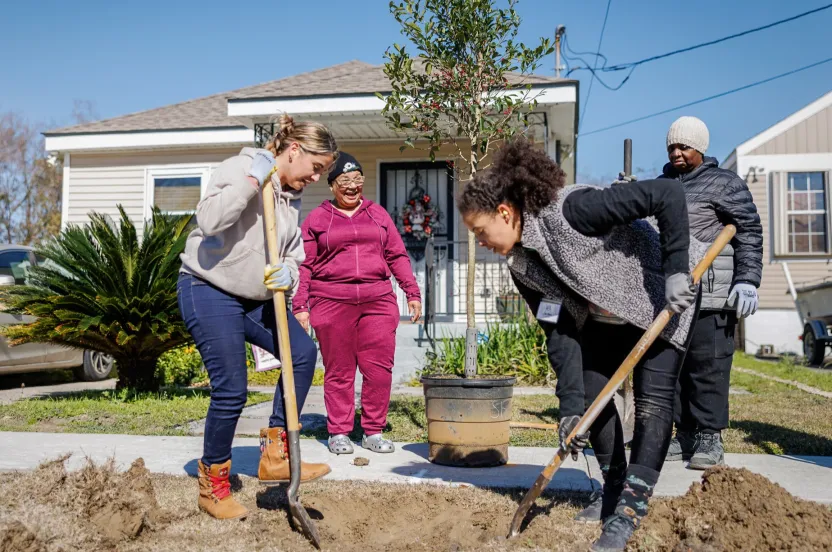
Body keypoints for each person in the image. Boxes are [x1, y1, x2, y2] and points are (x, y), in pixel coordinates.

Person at [458, 138, 703, 552]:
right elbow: (560, 331)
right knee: (593, 396)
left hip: (661, 297)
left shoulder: (573, 211)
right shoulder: (522, 266)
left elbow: (667, 193)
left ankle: (630, 510)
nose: (480, 242)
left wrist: (677, 268)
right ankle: (613, 492)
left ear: (504, 212)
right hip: (605, 317)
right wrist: (571, 412)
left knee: (653, 404)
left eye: (480, 232)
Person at [178, 115, 338, 521]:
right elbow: (209, 221)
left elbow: (293, 255)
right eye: (316, 167)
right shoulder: (240, 167)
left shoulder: (291, 197)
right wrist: (252, 181)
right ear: (293, 150)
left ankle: (274, 453)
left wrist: (290, 272)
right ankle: (213, 482)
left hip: (254, 297)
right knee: (232, 387)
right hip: (208, 287)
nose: (318, 178)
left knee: (302, 354)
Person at [293, 152, 421, 455]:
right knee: (339, 369)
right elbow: (304, 265)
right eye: (345, 181)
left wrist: (412, 292)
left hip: (377, 301)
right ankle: (339, 430)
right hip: (330, 301)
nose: (352, 187)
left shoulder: (378, 214)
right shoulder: (318, 219)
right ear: (332, 185)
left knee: (379, 369)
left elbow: (397, 255)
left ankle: (373, 430)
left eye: (357, 180)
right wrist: (300, 306)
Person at [659, 116, 763, 470]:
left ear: (699, 148)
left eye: (683, 147)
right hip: (674, 296)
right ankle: (684, 433)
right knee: (676, 368)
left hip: (713, 295)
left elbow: (748, 230)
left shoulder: (725, 184)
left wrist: (747, 279)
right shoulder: (663, 185)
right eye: (672, 146)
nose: (677, 152)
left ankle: (709, 435)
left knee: (708, 366)